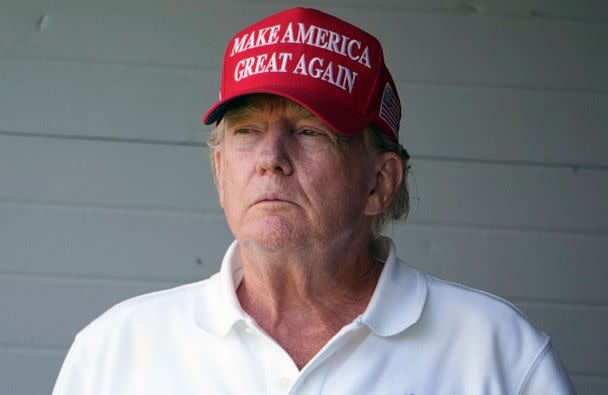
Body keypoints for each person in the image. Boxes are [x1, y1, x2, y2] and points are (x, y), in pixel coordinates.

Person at [53, 7, 575, 395]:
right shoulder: (117, 350)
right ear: (219, 172)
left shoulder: (498, 353)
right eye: (248, 131)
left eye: (309, 131)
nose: (271, 158)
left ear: (379, 183)